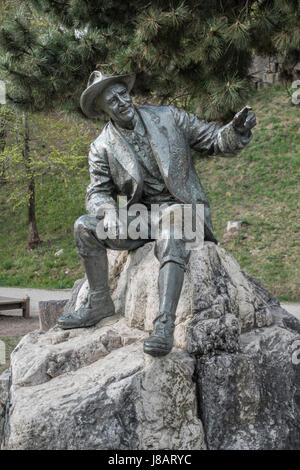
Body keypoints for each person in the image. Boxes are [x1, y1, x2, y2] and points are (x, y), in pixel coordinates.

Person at [57, 71, 256, 357]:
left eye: (122, 94)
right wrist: (108, 211)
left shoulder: (169, 117)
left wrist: (236, 131)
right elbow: (97, 192)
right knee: (84, 227)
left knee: (172, 229)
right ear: (103, 110)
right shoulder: (101, 147)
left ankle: (164, 324)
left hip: (185, 211)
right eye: (112, 100)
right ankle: (99, 302)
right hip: (143, 218)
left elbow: (213, 139)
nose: (121, 101)